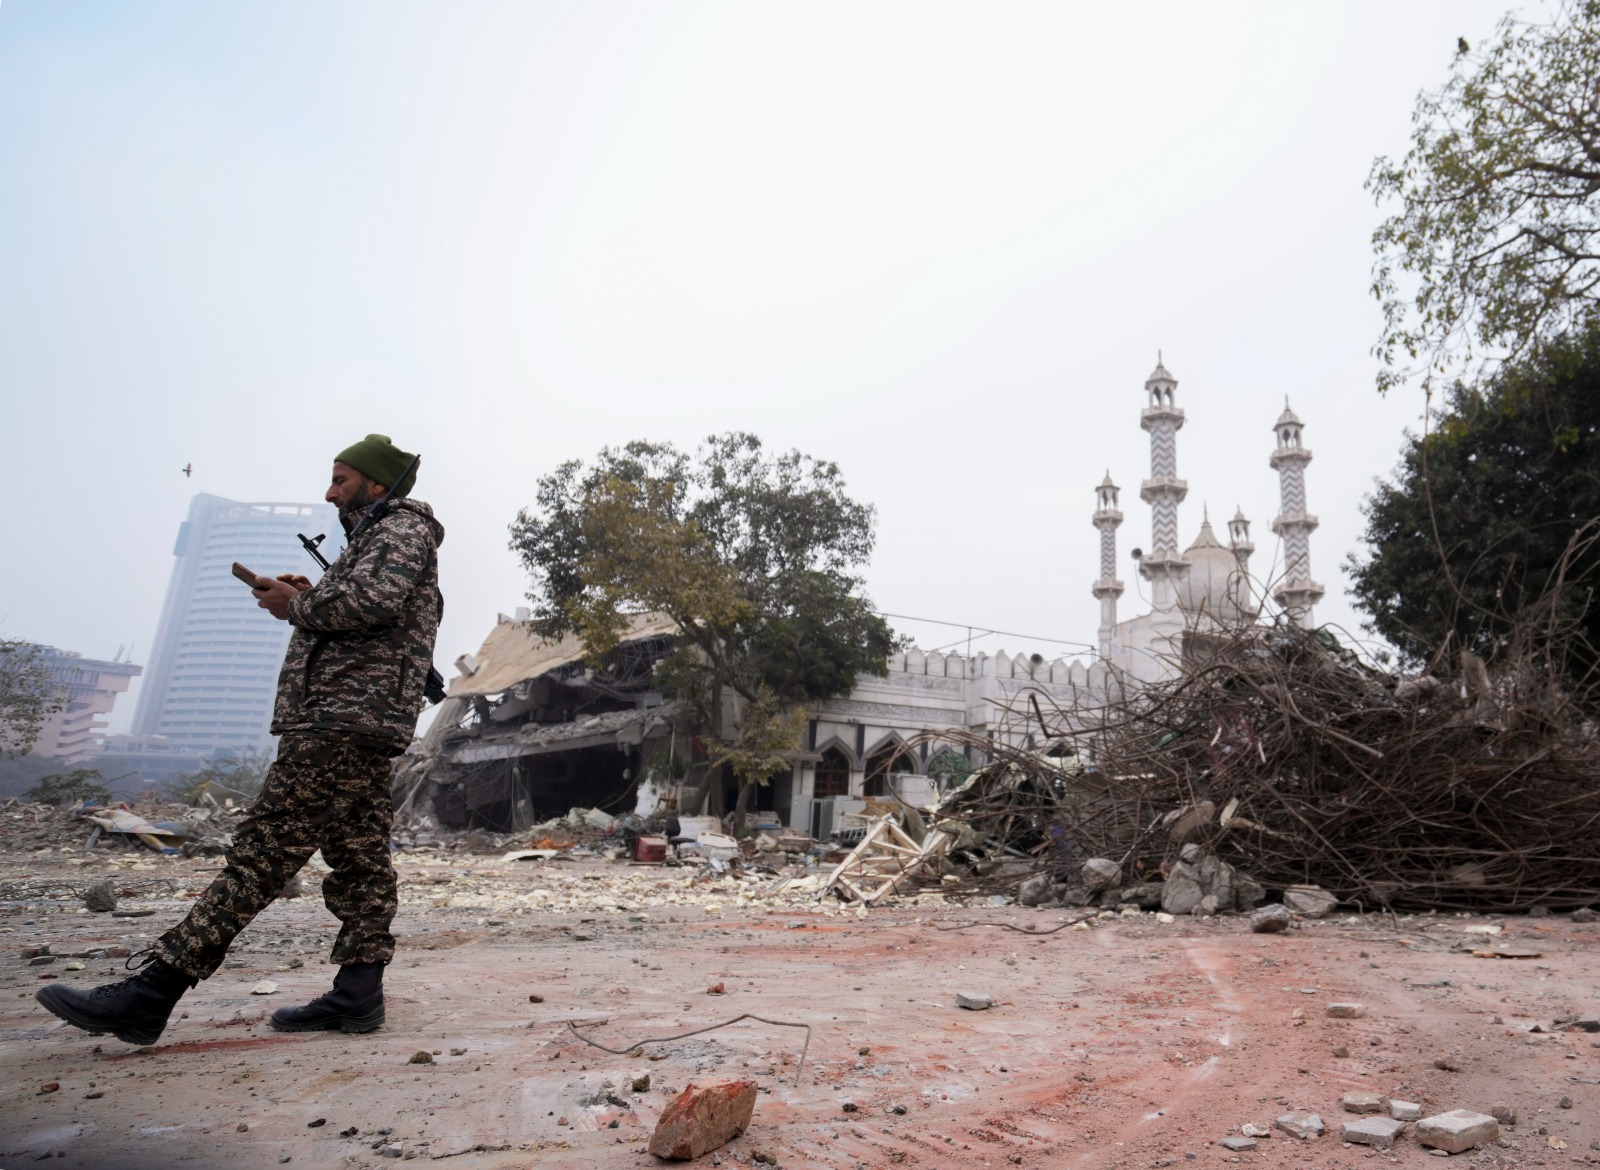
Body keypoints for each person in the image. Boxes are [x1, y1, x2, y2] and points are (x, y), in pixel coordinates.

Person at [37, 435, 444, 1045]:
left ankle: (152, 992)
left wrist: (298, 607)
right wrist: (305, 595)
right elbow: (367, 607)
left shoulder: (399, 529)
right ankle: (358, 993)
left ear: (376, 485)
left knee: (263, 852)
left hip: (339, 721)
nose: (329, 492)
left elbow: (371, 602)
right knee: (360, 858)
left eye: (341, 479)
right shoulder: (379, 535)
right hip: (354, 722)